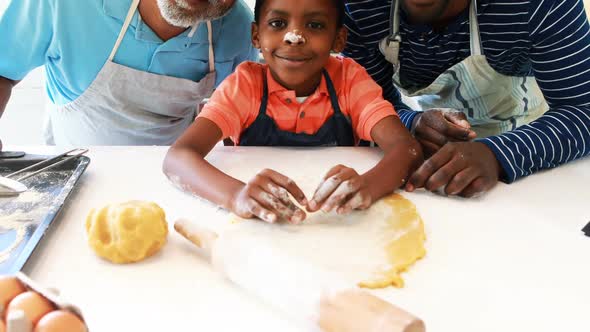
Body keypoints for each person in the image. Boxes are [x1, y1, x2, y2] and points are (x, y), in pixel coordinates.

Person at [163, 0, 422, 223]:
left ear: (339, 39)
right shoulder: (244, 86)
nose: (294, 37)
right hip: (259, 224)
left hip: (337, 220)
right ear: (255, 36)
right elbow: (178, 158)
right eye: (278, 24)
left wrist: (368, 185)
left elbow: (406, 149)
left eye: (315, 25)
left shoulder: (350, 81)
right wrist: (237, 195)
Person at [343, 0, 590, 197]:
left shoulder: (539, 5)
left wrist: (497, 154)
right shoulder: (359, 9)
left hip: (541, 142)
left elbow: (582, 111)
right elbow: (365, 105)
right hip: (434, 153)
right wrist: (412, 124)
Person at [0, 0, 258, 148]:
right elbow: (3, 71)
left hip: (173, 179)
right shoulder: (66, 5)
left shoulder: (238, 28)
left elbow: (237, 116)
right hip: (74, 167)